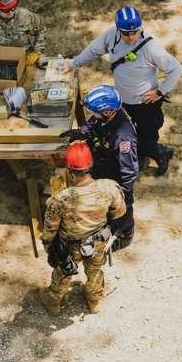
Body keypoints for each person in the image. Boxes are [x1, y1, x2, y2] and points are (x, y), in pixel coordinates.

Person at [66, 6, 182, 175]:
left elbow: (176, 68)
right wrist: (73, 64)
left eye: (134, 32)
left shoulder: (150, 48)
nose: (131, 37)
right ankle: (153, 153)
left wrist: (160, 92)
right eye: (126, 33)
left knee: (147, 132)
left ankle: (158, 154)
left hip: (145, 102)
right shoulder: (111, 35)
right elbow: (93, 50)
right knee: (123, 132)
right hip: (122, 99)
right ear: (118, 29)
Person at [39, 142, 127, 315]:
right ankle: (94, 300)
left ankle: (54, 301)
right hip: (99, 240)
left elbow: (51, 228)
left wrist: (48, 244)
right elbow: (119, 212)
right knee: (95, 268)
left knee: (63, 271)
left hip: (70, 245)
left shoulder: (61, 199)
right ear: (91, 165)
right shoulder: (109, 187)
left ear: (69, 170)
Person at [61, 85, 138, 250]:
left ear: (108, 111)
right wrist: (82, 132)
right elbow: (93, 122)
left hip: (114, 176)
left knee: (121, 212)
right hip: (101, 166)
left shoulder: (124, 137)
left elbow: (129, 171)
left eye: (94, 110)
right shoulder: (105, 116)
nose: (92, 114)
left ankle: (125, 236)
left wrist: (121, 194)